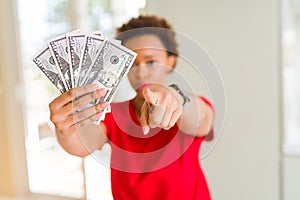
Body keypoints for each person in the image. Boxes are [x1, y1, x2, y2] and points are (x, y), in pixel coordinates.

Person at [49, 15, 214, 200]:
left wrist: (177, 98)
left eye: (151, 62)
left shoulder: (188, 106)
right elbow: (80, 146)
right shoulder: (112, 112)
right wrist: (64, 128)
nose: (141, 72)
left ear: (170, 61)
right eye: (132, 64)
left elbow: (203, 120)